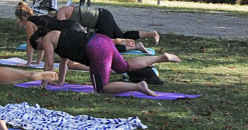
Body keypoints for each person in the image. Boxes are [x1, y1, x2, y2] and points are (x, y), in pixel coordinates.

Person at [29, 26, 181, 96]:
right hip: (102, 40)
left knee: (102, 88)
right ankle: (161, 58)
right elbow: (63, 63)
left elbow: (48, 64)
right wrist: (61, 82)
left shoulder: (48, 38)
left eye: (39, 47)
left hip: (96, 48)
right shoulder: (59, 37)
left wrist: (43, 84)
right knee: (123, 66)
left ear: (38, 39)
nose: (42, 50)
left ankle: (138, 86)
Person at [55, 3, 160, 49]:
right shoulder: (65, 10)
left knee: (107, 44)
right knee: (121, 36)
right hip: (104, 14)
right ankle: (151, 33)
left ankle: (136, 47)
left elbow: (62, 30)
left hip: (101, 19)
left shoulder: (61, 12)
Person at [14, 2, 86, 66]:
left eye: (17, 19)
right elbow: (41, 44)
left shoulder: (29, 23)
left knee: (71, 65)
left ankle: (92, 68)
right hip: (73, 25)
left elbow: (29, 45)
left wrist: (28, 63)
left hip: (69, 30)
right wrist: (38, 62)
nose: (17, 22)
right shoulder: (38, 19)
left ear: (23, 18)